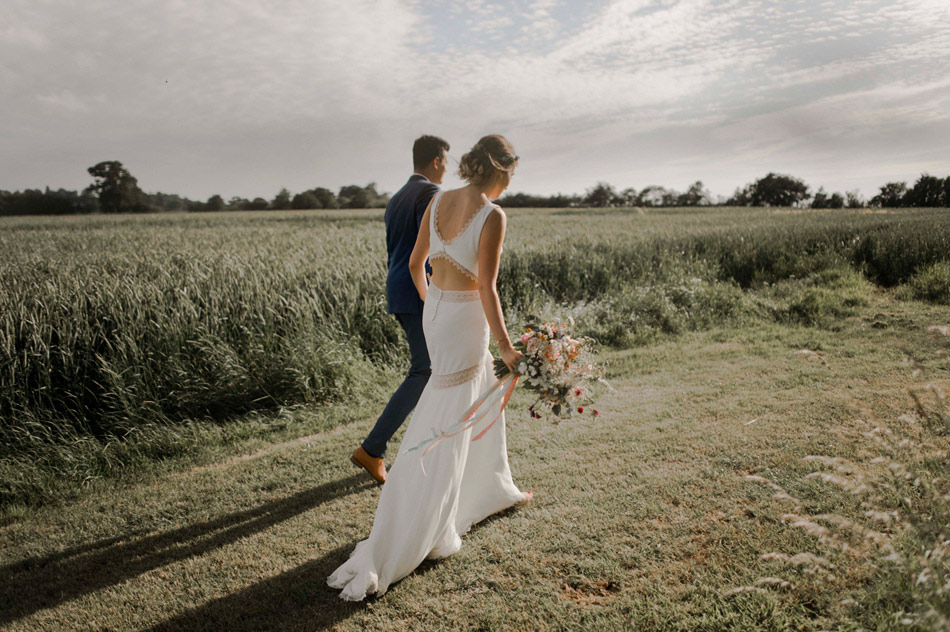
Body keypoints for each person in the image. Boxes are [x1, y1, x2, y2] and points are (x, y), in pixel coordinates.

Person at [328, 134, 531, 601]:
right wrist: (506, 347)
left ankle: (491, 488)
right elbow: (488, 289)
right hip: (464, 320)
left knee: (462, 403)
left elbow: (417, 264)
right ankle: (426, 524)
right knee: (450, 419)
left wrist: (432, 304)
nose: (508, 185)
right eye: (509, 175)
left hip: (436, 313)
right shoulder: (492, 214)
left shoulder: (436, 201)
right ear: (499, 170)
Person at [350, 135, 450, 484]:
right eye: (446, 161)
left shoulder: (395, 198)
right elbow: (429, 249)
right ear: (437, 160)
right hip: (420, 290)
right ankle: (373, 448)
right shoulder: (430, 195)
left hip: (398, 289)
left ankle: (422, 445)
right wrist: (436, 293)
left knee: (431, 370)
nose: (447, 168)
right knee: (425, 370)